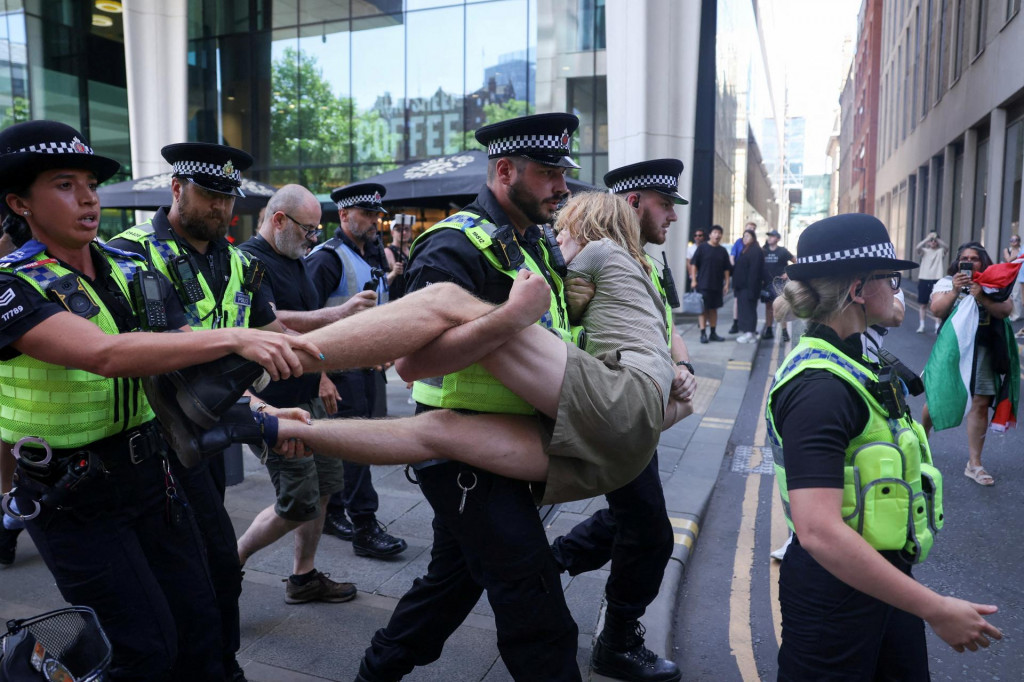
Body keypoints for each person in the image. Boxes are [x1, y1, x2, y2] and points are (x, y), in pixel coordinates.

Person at [0, 120, 319, 681]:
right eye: (65, 184)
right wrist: (238, 337)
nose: (89, 196)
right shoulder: (12, 284)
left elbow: (181, 365)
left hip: (155, 479)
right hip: (73, 500)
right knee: (140, 650)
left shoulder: (127, 269)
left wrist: (264, 417)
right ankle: (31, 661)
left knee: (201, 619)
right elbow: (104, 353)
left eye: (91, 183)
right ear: (19, 202)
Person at [349, 112, 587, 682]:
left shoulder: (533, 240)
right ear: (506, 171)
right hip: (464, 452)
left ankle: (375, 672)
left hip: (508, 444)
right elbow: (410, 362)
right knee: (536, 608)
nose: (563, 186)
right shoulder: (453, 245)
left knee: (450, 585)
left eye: (563, 171)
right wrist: (508, 318)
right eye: (550, 173)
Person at [766, 213, 1001, 680]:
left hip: (882, 583)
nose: (899, 289)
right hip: (833, 602)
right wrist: (936, 608)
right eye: (891, 279)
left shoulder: (857, 357)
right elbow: (818, 531)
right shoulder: (820, 387)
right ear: (857, 289)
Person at [107, 141, 276, 682]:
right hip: (149, 440)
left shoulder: (237, 258)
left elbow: (269, 330)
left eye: (228, 199)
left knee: (209, 567)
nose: (221, 210)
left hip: (208, 433)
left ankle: (212, 662)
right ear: (176, 188)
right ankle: (216, 667)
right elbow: (172, 344)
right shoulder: (130, 253)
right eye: (208, 195)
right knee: (204, 568)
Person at [234, 184, 363, 604]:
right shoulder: (250, 261)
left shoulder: (296, 258)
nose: (312, 238)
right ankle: (229, 560)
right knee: (297, 500)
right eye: (307, 229)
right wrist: (340, 314)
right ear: (278, 220)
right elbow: (274, 321)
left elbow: (307, 329)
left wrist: (323, 374)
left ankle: (303, 577)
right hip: (271, 402)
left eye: (315, 230)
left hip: (308, 394)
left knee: (324, 487)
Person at [307, 181, 407, 558]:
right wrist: (321, 377)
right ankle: (365, 524)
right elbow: (304, 322)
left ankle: (334, 514)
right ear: (344, 215)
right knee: (357, 448)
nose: (374, 222)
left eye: (376, 215)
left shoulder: (371, 254)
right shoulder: (326, 258)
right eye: (366, 214)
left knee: (350, 447)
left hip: (365, 371)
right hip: (338, 372)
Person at [922, 242, 1014, 486]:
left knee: (981, 402)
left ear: (983, 262)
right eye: (965, 258)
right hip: (954, 349)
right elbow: (937, 309)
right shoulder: (947, 282)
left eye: (975, 258)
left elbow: (1005, 310)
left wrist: (981, 295)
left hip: (985, 349)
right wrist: (954, 290)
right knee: (938, 398)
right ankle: (921, 442)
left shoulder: (993, 285)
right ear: (957, 261)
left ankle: (974, 463)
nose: (970, 262)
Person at [690, 223, 731, 343]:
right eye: (715, 233)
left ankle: (713, 333)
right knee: (702, 309)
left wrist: (727, 283)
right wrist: (693, 280)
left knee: (714, 309)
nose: (717, 235)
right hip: (703, 284)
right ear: (710, 235)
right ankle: (703, 334)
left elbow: (726, 269)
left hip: (717, 285)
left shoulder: (723, 251)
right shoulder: (702, 248)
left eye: (719, 233)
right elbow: (693, 264)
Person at [760, 229, 794, 341]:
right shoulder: (763, 250)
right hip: (766, 283)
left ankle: (784, 331)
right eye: (769, 236)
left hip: (779, 284)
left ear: (778, 239)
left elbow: (796, 261)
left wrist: (788, 273)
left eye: (772, 236)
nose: (769, 238)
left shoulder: (783, 251)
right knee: (768, 307)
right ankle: (769, 330)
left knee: (780, 307)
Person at [732, 227, 764, 344]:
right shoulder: (747, 249)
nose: (744, 238)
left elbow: (754, 272)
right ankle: (749, 333)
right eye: (743, 236)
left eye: (747, 236)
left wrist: (751, 290)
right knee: (745, 310)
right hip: (743, 287)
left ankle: (749, 333)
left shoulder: (755, 250)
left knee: (748, 310)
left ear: (753, 238)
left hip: (749, 287)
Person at [915, 231, 949, 333]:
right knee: (923, 304)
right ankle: (921, 325)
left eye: (934, 241)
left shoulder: (940, 251)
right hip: (924, 278)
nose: (933, 242)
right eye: (931, 241)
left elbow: (946, 247)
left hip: (937, 279)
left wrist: (936, 238)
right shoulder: (924, 251)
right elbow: (917, 248)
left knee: (936, 303)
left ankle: (937, 326)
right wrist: (928, 238)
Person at [385, 213, 414, 299]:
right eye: (399, 230)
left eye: (407, 229)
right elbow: (382, 283)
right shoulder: (387, 252)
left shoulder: (412, 250)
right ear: (392, 232)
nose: (404, 232)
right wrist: (394, 273)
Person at [685, 227, 705, 292]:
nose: (697, 237)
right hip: (695, 276)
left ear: (703, 237)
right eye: (695, 235)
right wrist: (691, 275)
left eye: (700, 235)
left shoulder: (707, 247)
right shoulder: (690, 248)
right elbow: (688, 262)